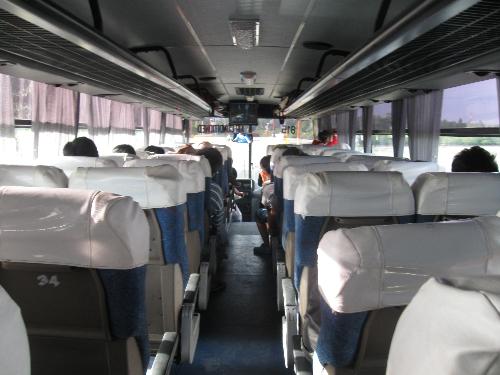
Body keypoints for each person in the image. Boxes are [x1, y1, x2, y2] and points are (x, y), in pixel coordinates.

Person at [195, 147, 227, 291]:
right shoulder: (214, 190)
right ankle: (212, 279)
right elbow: (218, 224)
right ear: (216, 169)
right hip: (199, 244)